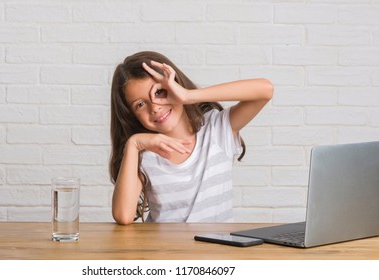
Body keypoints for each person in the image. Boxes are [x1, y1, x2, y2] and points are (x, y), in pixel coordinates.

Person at [109, 51, 273, 225]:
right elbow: (123, 215)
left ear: (175, 86)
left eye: (158, 92)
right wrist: (133, 144)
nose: (155, 108)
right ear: (132, 115)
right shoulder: (144, 154)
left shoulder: (217, 129)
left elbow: (265, 90)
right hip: (166, 251)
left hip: (218, 250)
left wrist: (188, 95)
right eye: (140, 104)